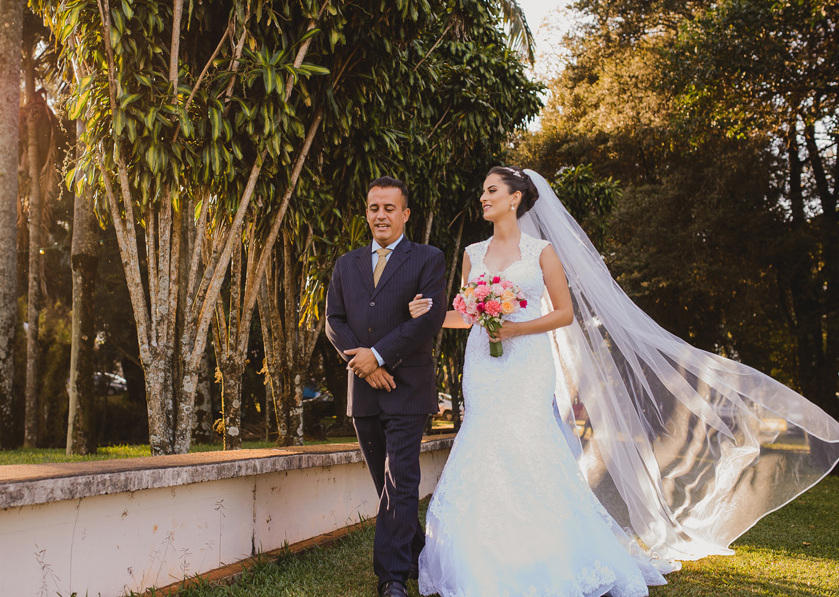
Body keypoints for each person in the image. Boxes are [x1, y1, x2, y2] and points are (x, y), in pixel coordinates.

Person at [408, 166, 839, 596]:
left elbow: (564, 313)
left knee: (526, 442)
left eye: (491, 190)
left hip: (526, 363)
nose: (483, 197)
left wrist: (517, 329)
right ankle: (484, 552)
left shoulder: (541, 251)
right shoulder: (472, 252)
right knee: (484, 441)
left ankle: (546, 550)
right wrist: (429, 316)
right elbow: (467, 315)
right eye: (483, 191)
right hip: (484, 365)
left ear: (515, 198)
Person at [325, 176, 447, 597]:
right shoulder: (346, 264)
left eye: (389, 208)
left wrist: (377, 356)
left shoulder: (429, 258)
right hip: (363, 389)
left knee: (401, 480)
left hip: (408, 385)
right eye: (374, 208)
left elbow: (429, 320)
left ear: (405, 214)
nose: (381, 215)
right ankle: (417, 551)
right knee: (384, 481)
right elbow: (333, 321)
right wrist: (362, 362)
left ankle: (391, 578)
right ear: (367, 213)